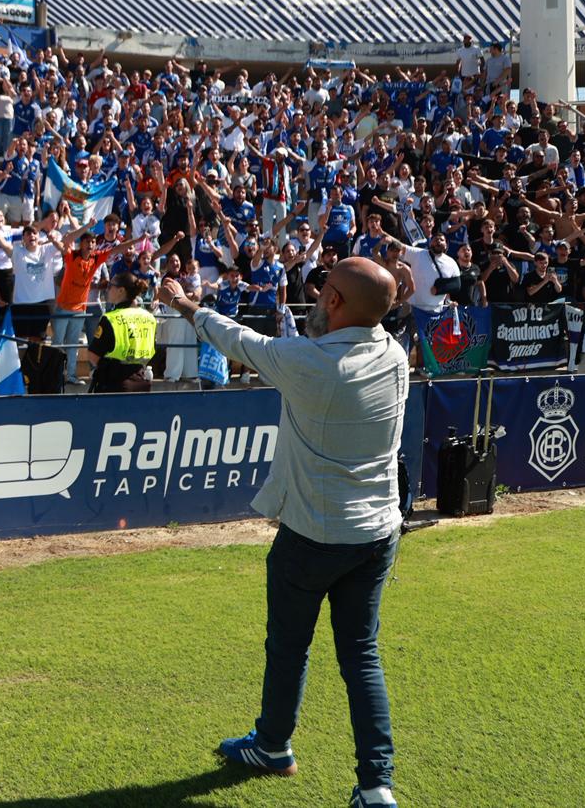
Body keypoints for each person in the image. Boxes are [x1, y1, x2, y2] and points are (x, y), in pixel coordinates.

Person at [159, 257, 408, 808]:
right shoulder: (394, 355)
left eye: (323, 292)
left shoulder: (308, 362)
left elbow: (240, 341)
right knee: (361, 656)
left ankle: (273, 746)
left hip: (314, 536)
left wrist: (185, 305)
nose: (317, 300)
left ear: (336, 302)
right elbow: (376, 308)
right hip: (376, 535)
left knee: (289, 648)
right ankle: (376, 786)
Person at [86, 271, 157, 393]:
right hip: (142, 381)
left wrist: (106, 368)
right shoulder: (149, 317)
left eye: (110, 286)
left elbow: (93, 355)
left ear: (121, 291)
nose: (107, 290)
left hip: (114, 384)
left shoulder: (110, 319)